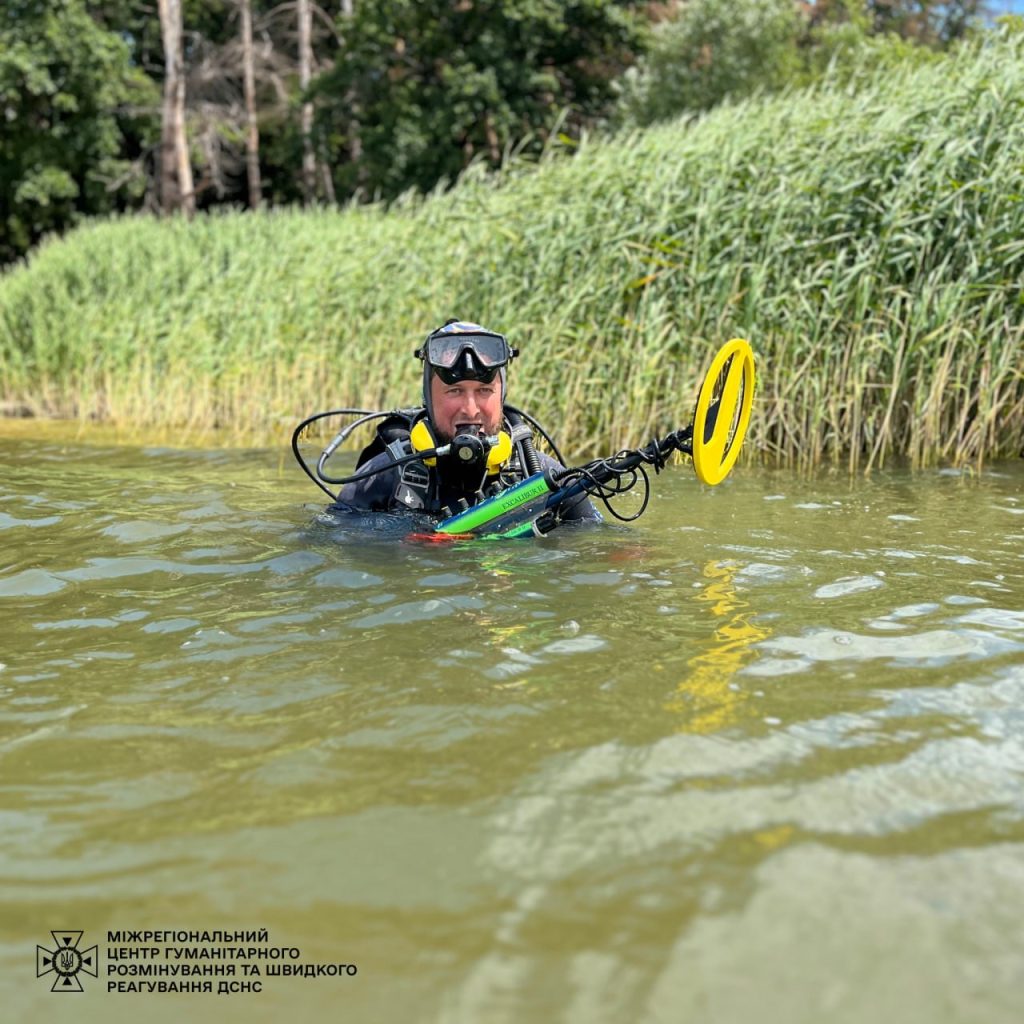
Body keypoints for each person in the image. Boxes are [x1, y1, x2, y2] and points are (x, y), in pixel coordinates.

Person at [332, 319, 600, 524]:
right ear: (428, 399)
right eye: (454, 391)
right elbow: (336, 545)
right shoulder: (381, 477)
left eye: (484, 391)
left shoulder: (540, 474)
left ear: (502, 396)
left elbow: (593, 546)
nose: (471, 410)